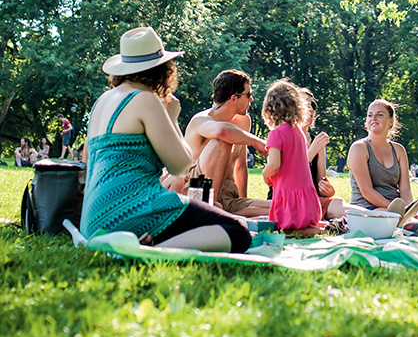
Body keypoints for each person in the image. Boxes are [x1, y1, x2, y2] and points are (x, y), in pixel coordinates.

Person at [80, 26, 251, 253]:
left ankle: (136, 243)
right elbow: (180, 166)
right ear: (163, 70)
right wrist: (171, 117)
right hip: (135, 208)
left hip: (93, 219)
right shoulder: (145, 100)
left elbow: (87, 161)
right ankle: (148, 250)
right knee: (238, 230)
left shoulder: (102, 101)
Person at [168, 70, 271, 217]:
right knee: (222, 142)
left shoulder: (243, 120)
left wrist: (244, 198)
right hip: (197, 193)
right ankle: (209, 214)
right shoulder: (201, 120)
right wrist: (257, 141)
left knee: (285, 209)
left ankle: (229, 215)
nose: (252, 99)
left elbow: (240, 166)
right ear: (234, 98)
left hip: (227, 197)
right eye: (248, 95)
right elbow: (222, 132)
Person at [348, 99, 418, 226]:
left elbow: (405, 189)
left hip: (396, 209)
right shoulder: (359, 148)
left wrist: (408, 209)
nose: (373, 118)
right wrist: (397, 211)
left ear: (391, 121)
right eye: (370, 115)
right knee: (413, 224)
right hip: (368, 208)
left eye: (379, 115)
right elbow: (366, 191)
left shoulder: (398, 150)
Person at [261, 80, 323, 236]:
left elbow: (274, 165)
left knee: (282, 230)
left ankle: (304, 231)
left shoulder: (276, 134)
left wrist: (265, 173)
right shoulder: (299, 133)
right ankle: (313, 229)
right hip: (307, 201)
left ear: (270, 109)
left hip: (289, 200)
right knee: (297, 228)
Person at [298, 88, 366, 220]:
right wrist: (312, 151)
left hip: (312, 200)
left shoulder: (317, 141)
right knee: (339, 207)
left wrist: (328, 190)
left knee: (337, 203)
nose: (311, 110)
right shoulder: (284, 137)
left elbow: (321, 183)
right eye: (306, 105)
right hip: (290, 201)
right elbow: (285, 177)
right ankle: (384, 218)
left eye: (313, 105)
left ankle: (387, 218)